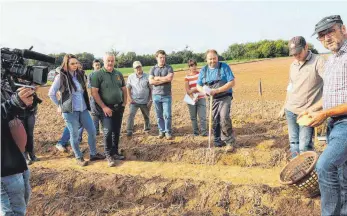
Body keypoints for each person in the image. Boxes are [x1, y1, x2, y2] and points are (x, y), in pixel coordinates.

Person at [300, 15, 347, 216]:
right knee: (342, 173)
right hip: (334, 124)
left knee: (325, 165)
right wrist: (314, 109)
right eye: (321, 35)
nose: (326, 38)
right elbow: (332, 95)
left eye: (330, 31)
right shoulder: (331, 60)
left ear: (343, 29)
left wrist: (325, 113)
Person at [48, 54, 105, 166]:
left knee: (92, 131)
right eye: (72, 64)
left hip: (83, 109)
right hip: (70, 112)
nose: (75, 65)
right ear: (66, 65)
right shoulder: (61, 77)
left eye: (76, 63)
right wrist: (60, 105)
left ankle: (93, 154)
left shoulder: (80, 75)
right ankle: (79, 157)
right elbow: (51, 93)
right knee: (74, 135)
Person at [278, 36, 325, 158]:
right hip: (290, 110)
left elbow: (330, 84)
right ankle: (297, 171)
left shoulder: (318, 61)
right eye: (293, 54)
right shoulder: (293, 65)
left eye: (298, 52)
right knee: (294, 143)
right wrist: (284, 106)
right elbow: (290, 86)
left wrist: (318, 108)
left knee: (304, 146)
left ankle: (307, 171)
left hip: (306, 112)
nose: (296, 56)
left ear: (306, 47)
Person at [1, 86, 34, 215]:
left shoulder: (4, 88)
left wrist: (25, 103)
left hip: (16, 159)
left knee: (21, 206)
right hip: (4, 168)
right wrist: (12, 103)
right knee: (13, 212)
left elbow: (15, 114)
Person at [91, 52, 127, 167]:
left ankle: (115, 152)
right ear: (104, 61)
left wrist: (125, 102)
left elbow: (124, 88)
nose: (110, 63)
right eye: (108, 61)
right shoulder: (97, 75)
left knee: (116, 131)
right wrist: (104, 107)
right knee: (108, 131)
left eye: (112, 60)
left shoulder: (118, 73)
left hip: (119, 107)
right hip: (106, 108)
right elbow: (94, 93)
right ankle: (108, 154)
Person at [196, 49, 236, 151]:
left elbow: (232, 82)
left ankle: (229, 142)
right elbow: (198, 86)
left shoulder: (224, 67)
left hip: (225, 96)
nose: (212, 61)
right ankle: (218, 141)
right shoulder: (204, 70)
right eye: (210, 59)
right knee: (215, 120)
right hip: (212, 99)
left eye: (214, 58)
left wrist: (217, 90)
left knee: (224, 116)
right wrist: (204, 91)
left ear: (217, 57)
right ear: (206, 59)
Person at [149, 50, 174, 140]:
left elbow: (169, 78)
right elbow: (151, 81)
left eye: (164, 57)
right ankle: (161, 130)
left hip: (166, 95)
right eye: (160, 57)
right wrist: (164, 79)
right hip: (156, 96)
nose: (162, 59)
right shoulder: (153, 69)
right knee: (159, 115)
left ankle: (168, 131)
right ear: (157, 58)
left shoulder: (169, 68)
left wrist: (157, 78)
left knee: (167, 114)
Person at [126, 61, 152, 137]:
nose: (138, 69)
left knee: (146, 115)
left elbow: (151, 89)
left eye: (139, 67)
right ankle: (129, 130)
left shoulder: (147, 76)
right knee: (131, 114)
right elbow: (128, 88)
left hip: (145, 101)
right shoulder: (131, 77)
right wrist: (129, 98)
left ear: (141, 67)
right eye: (136, 68)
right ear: (134, 69)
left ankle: (147, 128)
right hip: (134, 101)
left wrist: (150, 100)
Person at [184, 59, 207, 136]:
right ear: (189, 67)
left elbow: (204, 86)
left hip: (201, 98)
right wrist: (194, 91)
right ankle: (196, 133)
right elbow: (188, 91)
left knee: (202, 117)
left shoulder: (200, 74)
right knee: (193, 117)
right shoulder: (187, 77)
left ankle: (204, 132)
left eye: (194, 65)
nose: (193, 67)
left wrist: (195, 90)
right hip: (191, 99)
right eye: (191, 65)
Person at [89, 59, 103, 135]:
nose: (98, 66)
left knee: (103, 114)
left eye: (99, 65)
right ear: (93, 66)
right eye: (96, 65)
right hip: (94, 99)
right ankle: (96, 131)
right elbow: (90, 87)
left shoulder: (103, 74)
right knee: (95, 114)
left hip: (103, 98)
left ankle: (103, 129)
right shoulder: (91, 75)